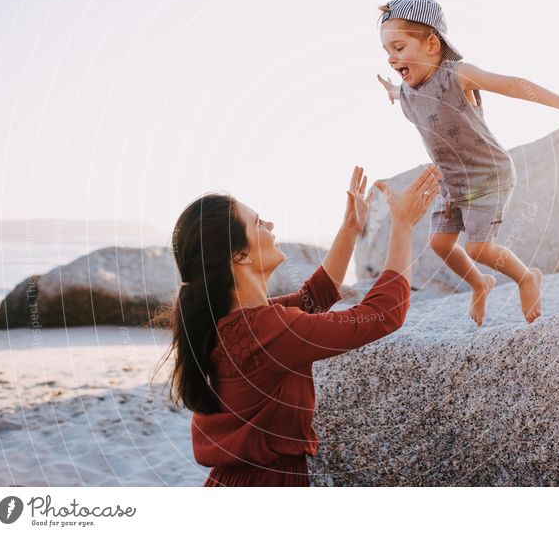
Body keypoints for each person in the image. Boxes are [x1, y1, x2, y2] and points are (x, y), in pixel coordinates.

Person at [156, 165, 441, 486]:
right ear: (239, 255)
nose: (271, 225)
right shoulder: (264, 328)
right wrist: (402, 225)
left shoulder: (237, 323)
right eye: (258, 223)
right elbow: (383, 314)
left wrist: (350, 229)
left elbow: (311, 299)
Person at [376, 0, 559, 325]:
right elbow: (403, 95)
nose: (391, 59)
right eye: (387, 52)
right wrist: (391, 91)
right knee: (440, 243)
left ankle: (527, 277)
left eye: (398, 48)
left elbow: (510, 84)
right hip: (452, 180)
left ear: (431, 44)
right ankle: (480, 282)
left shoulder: (457, 75)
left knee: (478, 248)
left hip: (487, 174)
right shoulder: (408, 92)